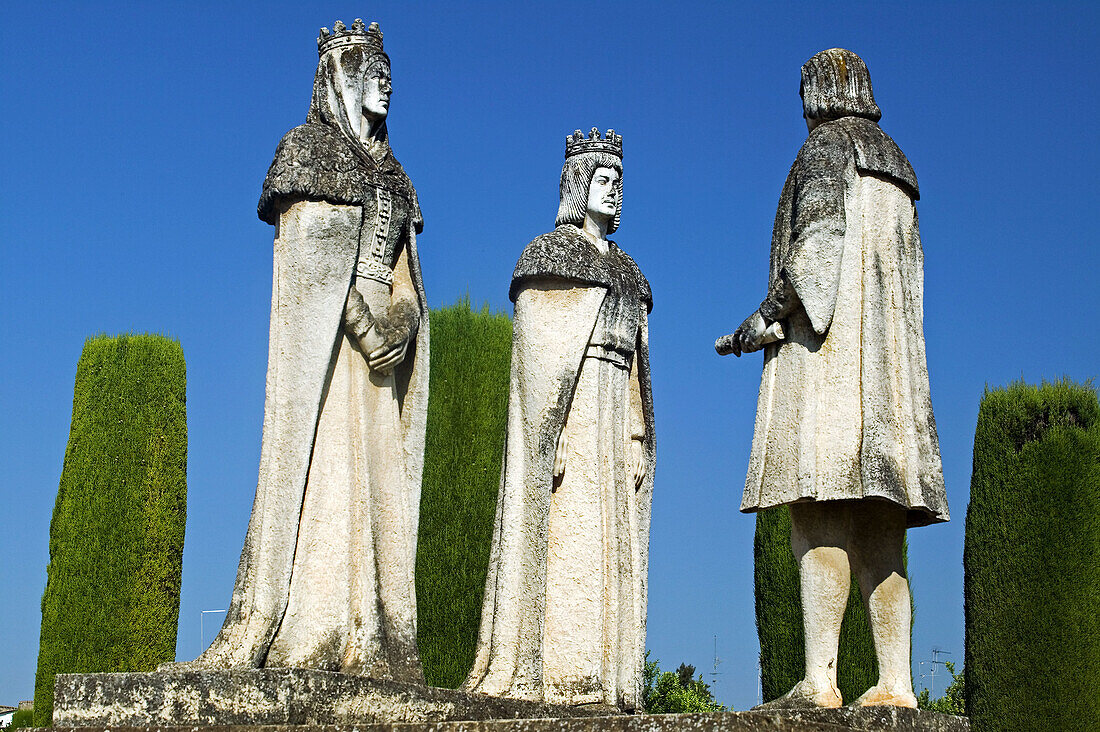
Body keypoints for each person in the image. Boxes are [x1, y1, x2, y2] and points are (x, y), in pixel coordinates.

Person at [173, 19, 429, 682]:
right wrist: (364, 326)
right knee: (323, 465)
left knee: (378, 483)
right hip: (335, 347)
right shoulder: (308, 149)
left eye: (388, 72)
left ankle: (372, 632)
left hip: (383, 359)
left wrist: (399, 324)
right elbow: (312, 269)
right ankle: (309, 622)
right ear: (336, 77)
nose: (384, 82)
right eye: (369, 69)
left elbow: (404, 271)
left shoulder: (397, 175)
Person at [722, 49, 948, 708]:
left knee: (817, 519)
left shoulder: (825, 148)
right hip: (887, 385)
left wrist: (761, 321)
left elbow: (816, 259)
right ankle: (896, 683)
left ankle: (820, 678)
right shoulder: (899, 167)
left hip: (829, 374)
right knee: (884, 536)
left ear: (822, 88)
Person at [463, 129, 655, 711]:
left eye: (619, 180)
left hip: (613, 413)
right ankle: (560, 677)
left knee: (612, 551)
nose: (613, 189)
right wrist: (552, 435)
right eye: (603, 179)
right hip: (572, 418)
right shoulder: (551, 257)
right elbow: (540, 363)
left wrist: (639, 431)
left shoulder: (630, 274)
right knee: (568, 541)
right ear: (577, 184)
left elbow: (640, 369)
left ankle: (610, 681)